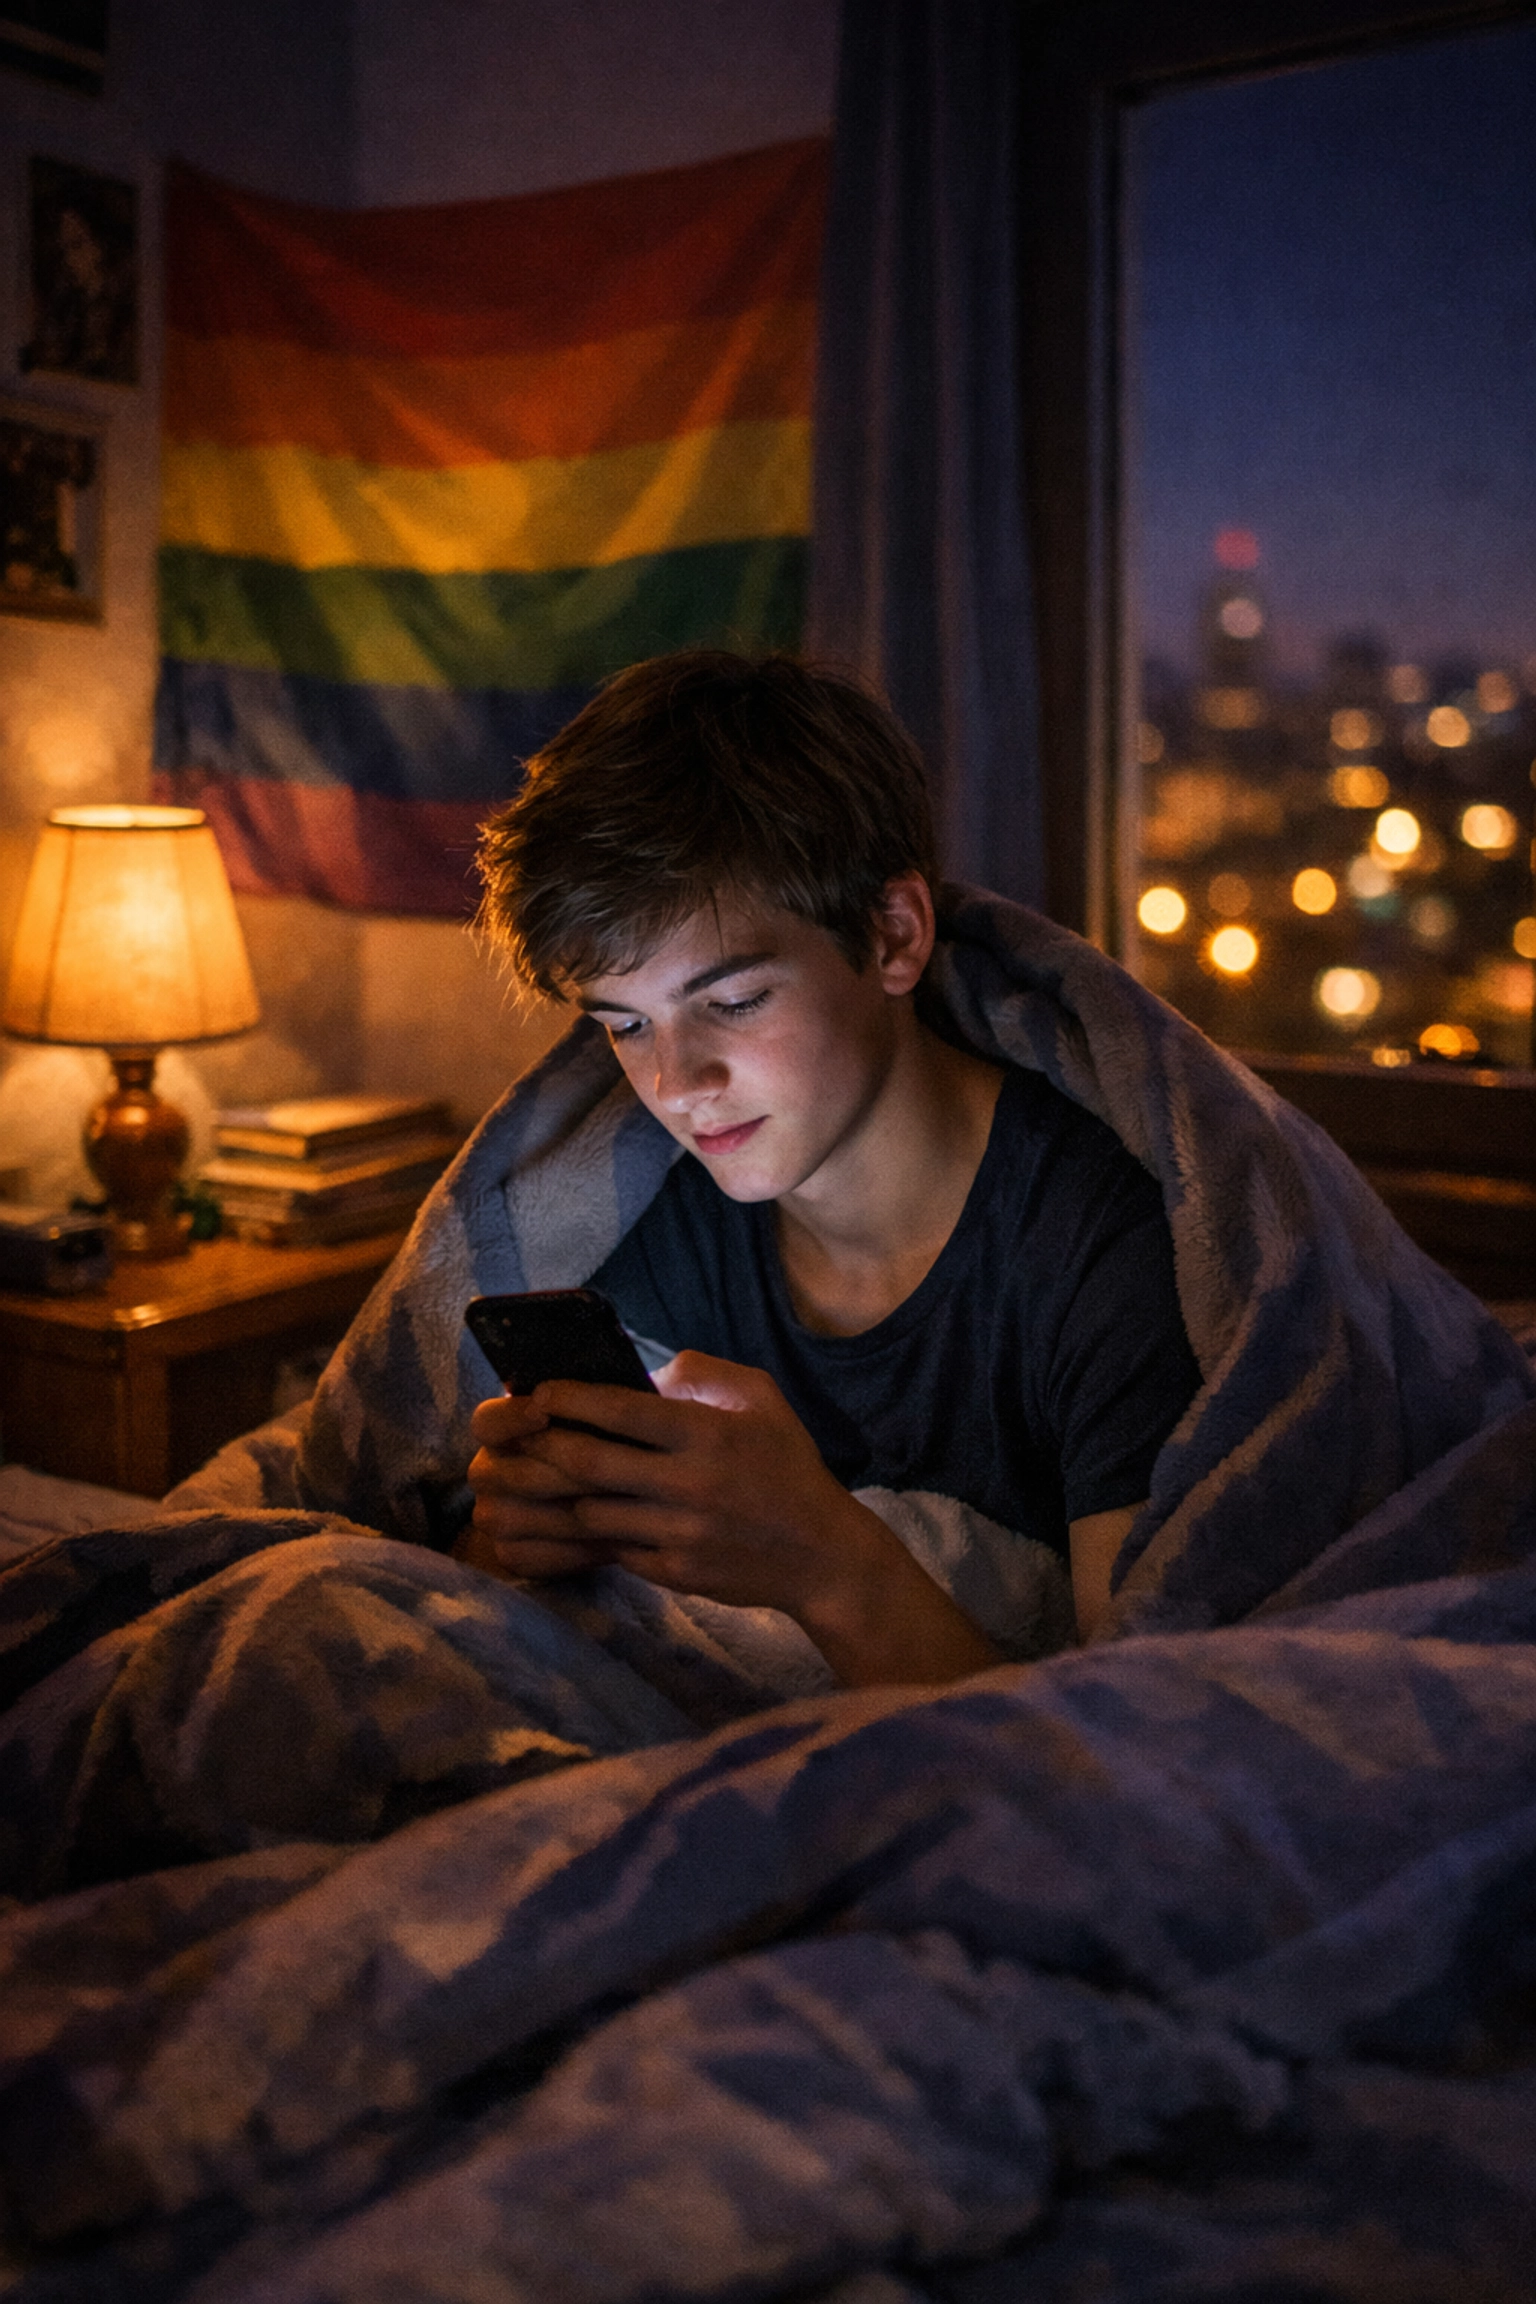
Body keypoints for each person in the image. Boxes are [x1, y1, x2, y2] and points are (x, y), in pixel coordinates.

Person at [463, 651, 1201, 1689]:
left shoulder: (1101, 1250)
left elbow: (1147, 1755)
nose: (678, 1083)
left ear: (893, 936)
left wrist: (827, 1564)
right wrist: (525, 1536)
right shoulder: (662, 1226)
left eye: (733, 1002)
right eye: (627, 1024)